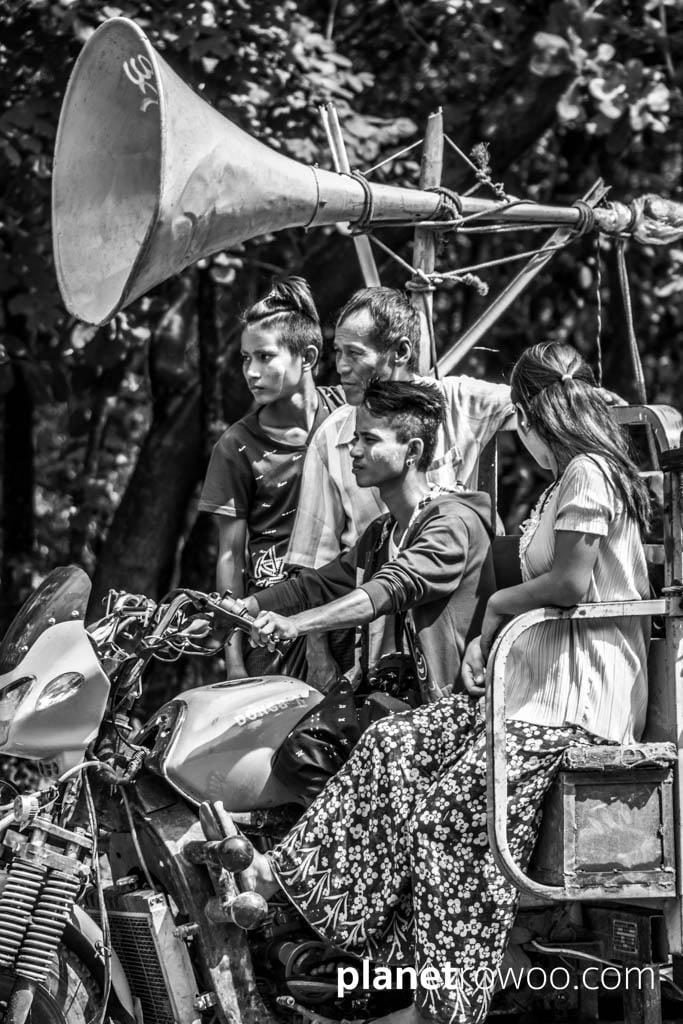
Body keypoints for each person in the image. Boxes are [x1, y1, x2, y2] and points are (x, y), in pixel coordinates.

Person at [228, 342, 650, 1024]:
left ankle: (443, 1007)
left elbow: (571, 583)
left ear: (531, 414)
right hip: (526, 694)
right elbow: (338, 580)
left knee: (448, 818)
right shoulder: (554, 486)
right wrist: (262, 610)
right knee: (390, 745)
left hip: (577, 698)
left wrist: (496, 611)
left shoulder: (587, 475)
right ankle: (285, 887)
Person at [286, 286, 514, 688]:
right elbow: (318, 566)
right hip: (364, 639)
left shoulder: (458, 404)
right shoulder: (331, 437)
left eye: (354, 353)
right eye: (336, 352)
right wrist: (314, 650)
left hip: (450, 643)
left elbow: (543, 406)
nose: (340, 367)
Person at [246, 378, 497, 707]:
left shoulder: (450, 523)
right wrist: (241, 608)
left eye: (369, 440)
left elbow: (387, 590)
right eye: (354, 439)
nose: (354, 450)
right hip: (396, 703)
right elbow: (314, 586)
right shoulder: (382, 533)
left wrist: (295, 625)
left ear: (414, 451)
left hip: (456, 708)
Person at [198, 277, 344, 679]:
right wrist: (234, 660)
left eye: (264, 357)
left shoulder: (348, 417)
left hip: (343, 605)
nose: (251, 372)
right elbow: (230, 556)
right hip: (269, 626)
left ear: (309, 356)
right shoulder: (236, 446)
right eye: (245, 359)